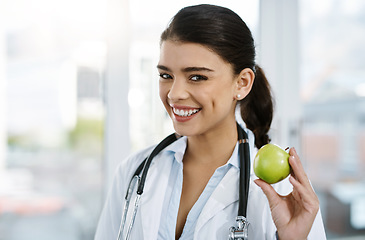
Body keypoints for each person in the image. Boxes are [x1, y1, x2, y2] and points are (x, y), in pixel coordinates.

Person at [95, 4, 326, 240]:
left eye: (197, 77)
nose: (174, 94)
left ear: (242, 83)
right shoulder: (134, 172)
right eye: (166, 76)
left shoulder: (284, 192)